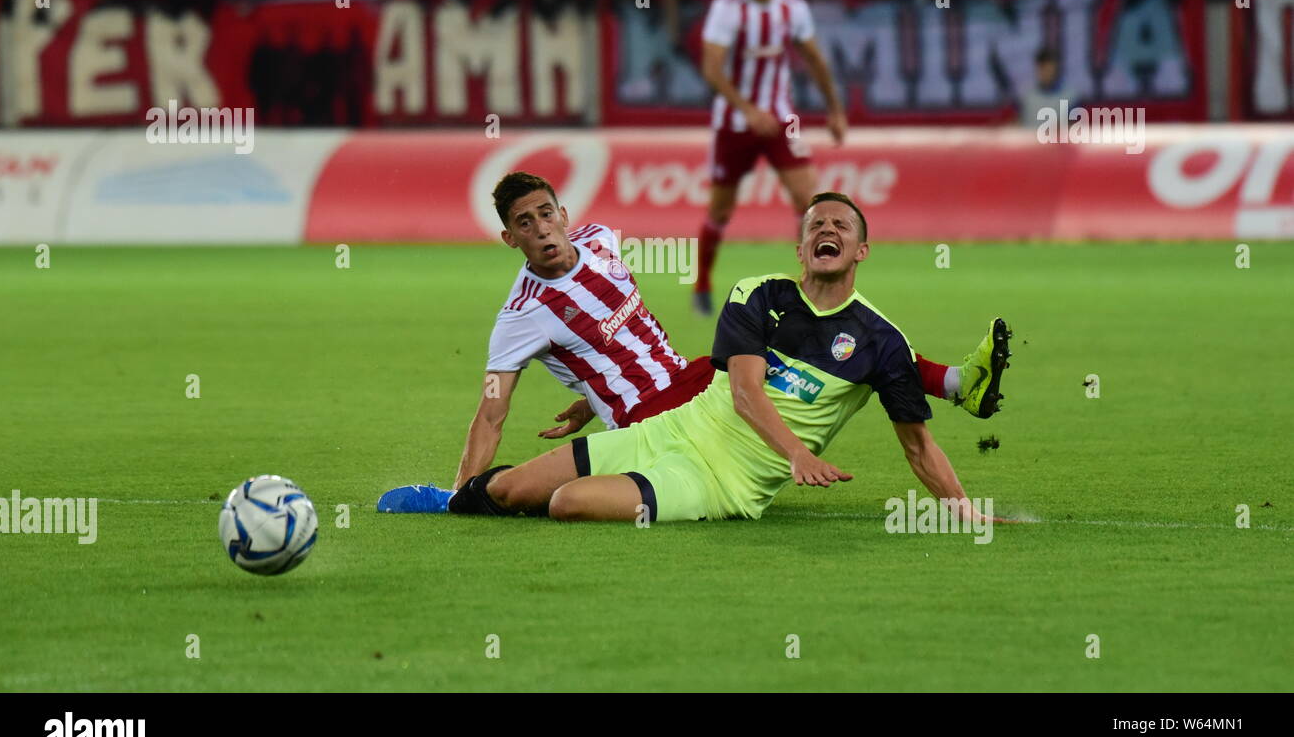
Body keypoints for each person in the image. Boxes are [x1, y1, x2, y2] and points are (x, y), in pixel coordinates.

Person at [378, 188, 1013, 522]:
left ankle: (958, 382)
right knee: (755, 362)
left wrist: (587, 390)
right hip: (655, 411)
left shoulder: (599, 240)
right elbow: (492, 411)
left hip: (682, 384)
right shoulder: (518, 317)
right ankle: (455, 498)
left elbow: (610, 339)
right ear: (509, 237)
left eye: (548, 214)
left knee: (830, 348)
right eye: (527, 222)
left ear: (565, 214)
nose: (544, 228)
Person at [693, 0, 848, 317]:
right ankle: (702, 285)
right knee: (721, 209)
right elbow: (712, 69)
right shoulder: (727, 9)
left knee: (809, 199)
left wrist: (834, 109)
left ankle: (810, 289)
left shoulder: (792, 8)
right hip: (733, 121)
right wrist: (747, 109)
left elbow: (814, 58)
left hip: (783, 119)